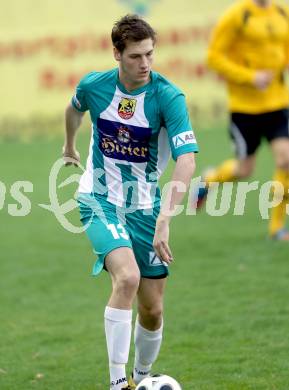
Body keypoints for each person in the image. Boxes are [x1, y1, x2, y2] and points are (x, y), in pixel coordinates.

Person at [63, 14, 198, 390]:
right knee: (127, 277)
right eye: (136, 56)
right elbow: (73, 109)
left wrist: (165, 219)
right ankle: (118, 383)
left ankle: (141, 378)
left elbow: (187, 159)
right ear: (116, 54)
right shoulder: (95, 86)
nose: (145, 64)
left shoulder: (168, 96)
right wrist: (70, 145)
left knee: (152, 310)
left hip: (147, 207)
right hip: (99, 197)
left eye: (150, 54)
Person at [196, 0, 289, 240]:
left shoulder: (282, 12)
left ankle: (276, 228)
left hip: (278, 103)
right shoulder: (237, 16)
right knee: (245, 169)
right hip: (245, 108)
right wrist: (250, 77)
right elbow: (213, 57)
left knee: (286, 159)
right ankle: (209, 180)